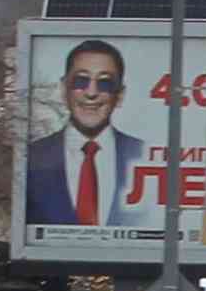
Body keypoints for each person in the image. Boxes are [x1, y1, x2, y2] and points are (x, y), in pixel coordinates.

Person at [21, 39, 129, 227]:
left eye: (104, 83)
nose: (91, 93)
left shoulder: (142, 154)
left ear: (119, 95)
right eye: (81, 80)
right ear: (64, 89)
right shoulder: (31, 157)